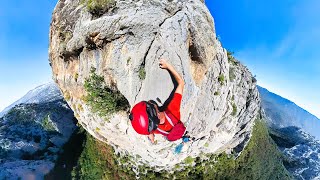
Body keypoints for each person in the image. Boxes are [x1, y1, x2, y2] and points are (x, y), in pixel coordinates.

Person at [129, 58, 185, 144]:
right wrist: (168, 66)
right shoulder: (173, 112)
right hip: (171, 127)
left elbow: (150, 129)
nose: (150, 101)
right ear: (156, 111)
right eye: (150, 104)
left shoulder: (155, 127)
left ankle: (151, 138)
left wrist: (151, 136)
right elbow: (181, 83)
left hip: (167, 133)